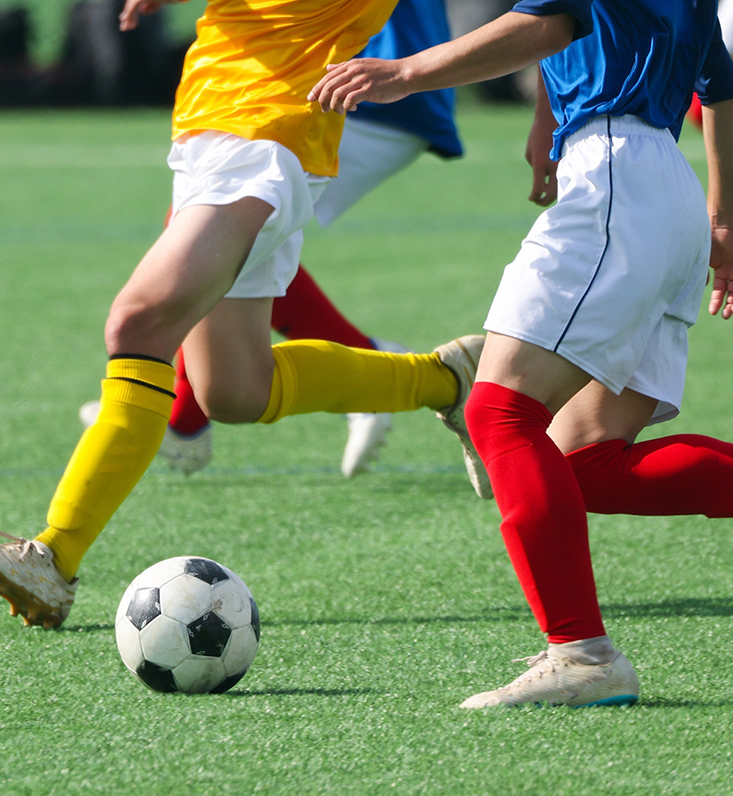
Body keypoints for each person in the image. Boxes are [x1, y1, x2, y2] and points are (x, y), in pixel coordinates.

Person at [0, 0, 489, 630]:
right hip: (212, 133)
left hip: (263, 142)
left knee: (138, 324)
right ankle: (448, 378)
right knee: (234, 390)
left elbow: (549, 18)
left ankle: (53, 557)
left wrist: (415, 72)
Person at [310, 0, 733, 708]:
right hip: (666, 188)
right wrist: (719, 215)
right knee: (583, 464)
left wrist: (406, 71)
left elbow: (550, 23)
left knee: (500, 412)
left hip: (614, 177)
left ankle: (584, 654)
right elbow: (717, 78)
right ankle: (582, 652)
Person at [78, 0, 465, 479]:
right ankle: (191, 414)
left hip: (356, 84)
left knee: (212, 243)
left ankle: (184, 419)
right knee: (214, 245)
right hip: (338, 79)